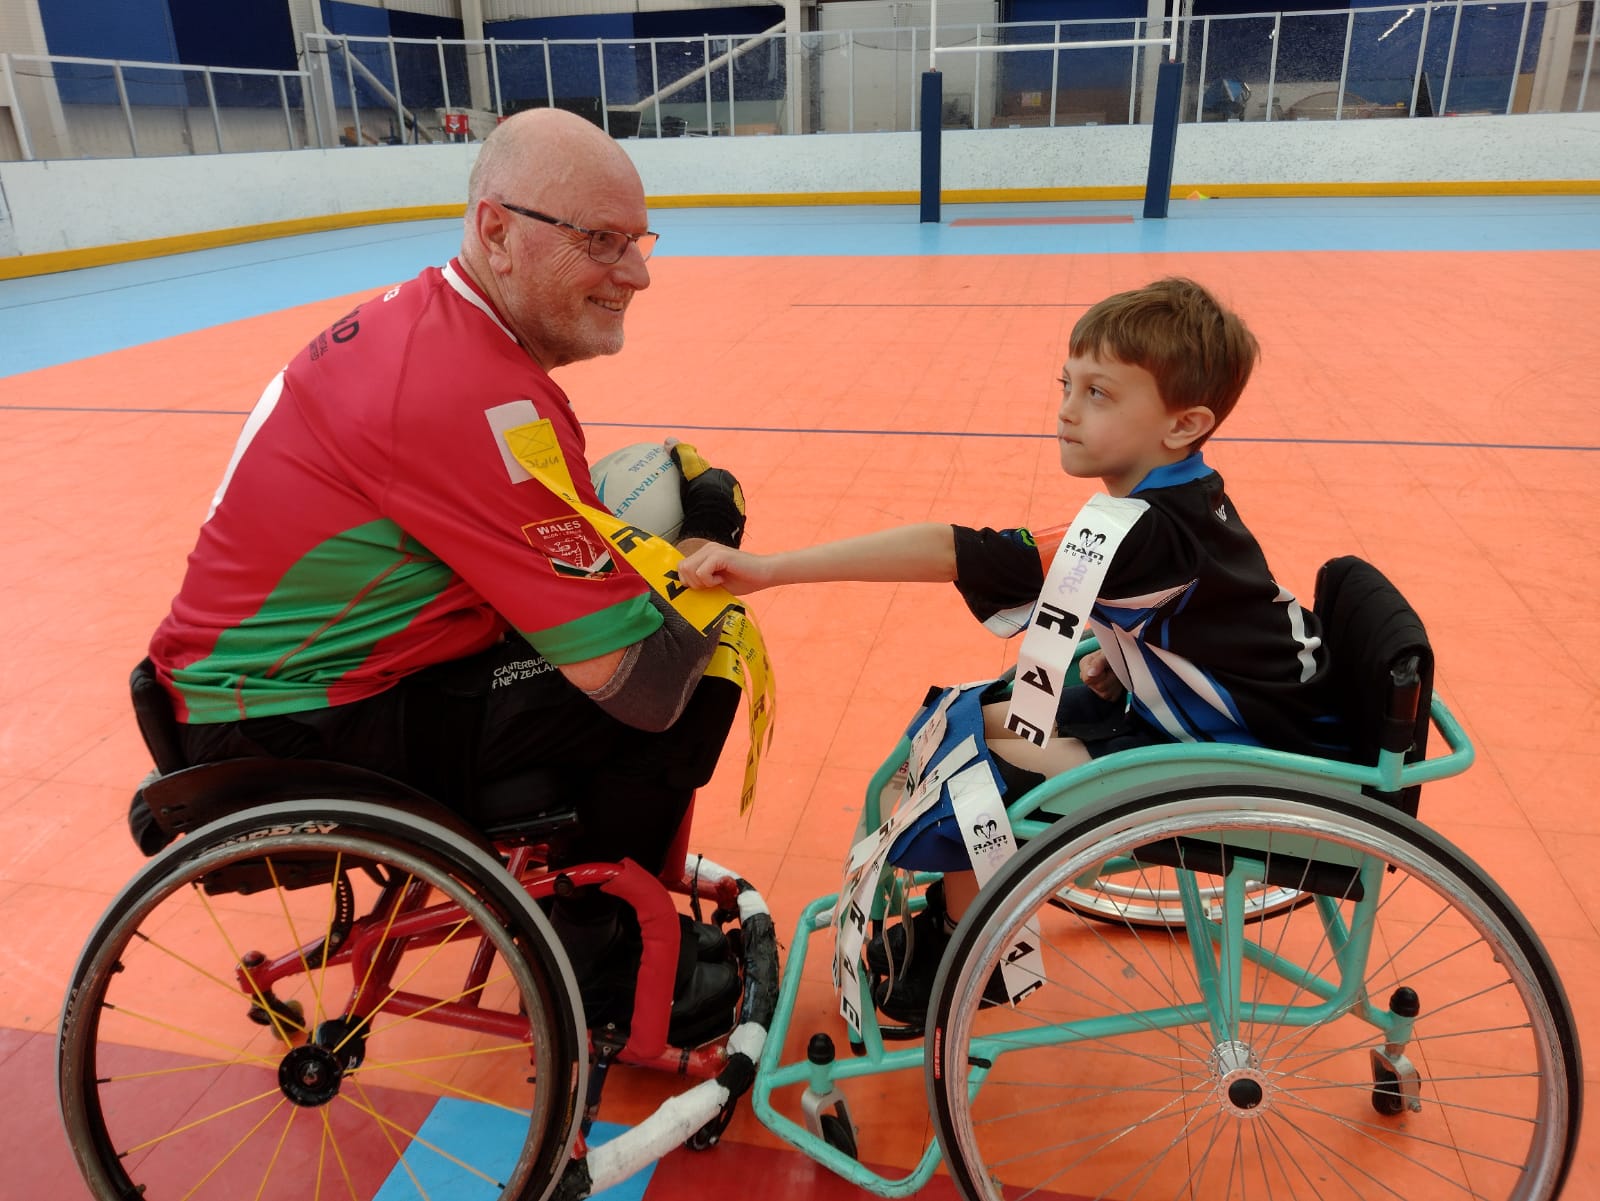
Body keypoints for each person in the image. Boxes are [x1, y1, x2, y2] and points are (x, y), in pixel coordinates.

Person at [136, 108, 749, 1043]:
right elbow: (644, 685)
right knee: (697, 670)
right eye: (600, 241)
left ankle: (582, 918)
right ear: (497, 231)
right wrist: (709, 544)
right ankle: (602, 964)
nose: (638, 274)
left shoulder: (434, 328)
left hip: (261, 691)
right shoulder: (477, 396)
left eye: (637, 240)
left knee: (625, 627)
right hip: (297, 723)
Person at [678, 276, 1342, 1024]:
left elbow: (952, 550)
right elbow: (1204, 614)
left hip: (1240, 754)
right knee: (980, 715)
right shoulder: (1180, 498)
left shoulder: (1145, 533)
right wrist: (1120, 650)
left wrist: (771, 569)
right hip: (1260, 710)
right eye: (1067, 383)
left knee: (977, 775)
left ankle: (970, 952)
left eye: (1099, 393)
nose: (1065, 408)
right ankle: (958, 920)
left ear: (1183, 424)